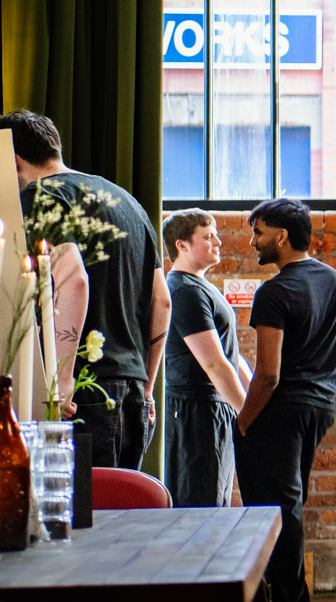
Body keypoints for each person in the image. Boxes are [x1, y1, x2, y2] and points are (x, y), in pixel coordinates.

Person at [3, 110, 168, 470]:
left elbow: (73, 279)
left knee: (79, 518)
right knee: (123, 513)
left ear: (13, 159)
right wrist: (146, 385)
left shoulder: (41, 195)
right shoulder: (126, 202)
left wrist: (61, 381)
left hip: (84, 392)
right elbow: (162, 302)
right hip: (132, 391)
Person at [237, 198, 336, 602]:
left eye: (259, 233)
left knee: (271, 517)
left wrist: (244, 421)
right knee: (289, 508)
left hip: (279, 413)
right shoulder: (334, 281)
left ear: (281, 237)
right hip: (318, 408)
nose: (253, 243)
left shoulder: (275, 291)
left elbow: (267, 375)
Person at [162, 210, 250, 508]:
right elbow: (214, 364)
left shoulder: (203, 288)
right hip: (196, 415)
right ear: (181, 245)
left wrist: (256, 405)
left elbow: (232, 357)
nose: (218, 242)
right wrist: (249, 418)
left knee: (216, 503)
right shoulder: (184, 290)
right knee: (201, 511)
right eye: (208, 236)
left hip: (213, 410)